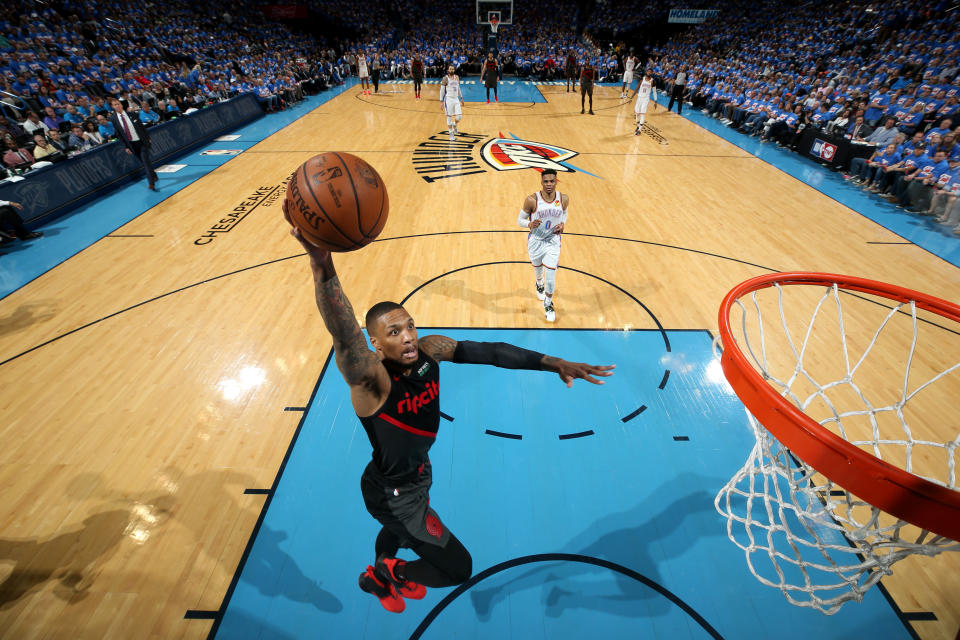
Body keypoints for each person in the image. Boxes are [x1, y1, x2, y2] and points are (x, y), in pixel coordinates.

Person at [283, 200, 614, 613]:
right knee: (458, 568)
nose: (406, 336)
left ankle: (378, 569)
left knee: (401, 531)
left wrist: (551, 363)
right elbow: (342, 326)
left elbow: (490, 351)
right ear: (375, 343)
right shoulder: (371, 380)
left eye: (409, 326)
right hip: (394, 493)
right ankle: (394, 574)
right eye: (393, 332)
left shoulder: (429, 351)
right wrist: (321, 263)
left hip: (412, 475)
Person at [517, 168, 568, 322]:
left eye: (552, 181)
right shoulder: (532, 200)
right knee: (538, 269)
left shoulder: (563, 198)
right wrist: (529, 223)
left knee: (551, 277)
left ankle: (548, 303)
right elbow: (519, 221)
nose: (549, 184)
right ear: (541, 182)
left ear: (556, 181)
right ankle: (539, 283)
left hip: (553, 241)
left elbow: (564, 213)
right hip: (536, 241)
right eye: (545, 181)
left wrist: (563, 224)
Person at [109, 98, 158, 191]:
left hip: (141, 141)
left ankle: (151, 182)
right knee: (144, 162)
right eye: (115, 105)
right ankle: (154, 175)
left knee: (145, 161)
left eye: (118, 104)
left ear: (121, 104)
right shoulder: (113, 119)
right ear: (112, 107)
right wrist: (126, 146)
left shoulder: (132, 114)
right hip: (132, 145)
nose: (117, 106)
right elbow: (119, 134)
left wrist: (148, 137)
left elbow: (141, 127)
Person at [440, 65, 464, 140]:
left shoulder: (457, 77)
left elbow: (458, 88)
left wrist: (461, 98)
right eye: (450, 69)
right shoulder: (445, 78)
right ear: (448, 70)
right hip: (448, 100)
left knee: (459, 116)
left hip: (456, 99)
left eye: (452, 69)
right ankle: (451, 135)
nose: (451, 70)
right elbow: (442, 90)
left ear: (454, 70)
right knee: (449, 117)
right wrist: (441, 101)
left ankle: (454, 124)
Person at [630, 70, 658, 135]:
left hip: (645, 99)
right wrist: (631, 97)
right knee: (637, 114)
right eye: (648, 71)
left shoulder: (652, 81)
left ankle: (639, 130)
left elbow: (654, 92)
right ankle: (638, 126)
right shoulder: (642, 79)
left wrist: (655, 101)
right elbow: (637, 88)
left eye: (650, 72)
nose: (649, 72)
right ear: (646, 72)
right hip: (639, 98)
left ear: (652, 73)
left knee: (642, 114)